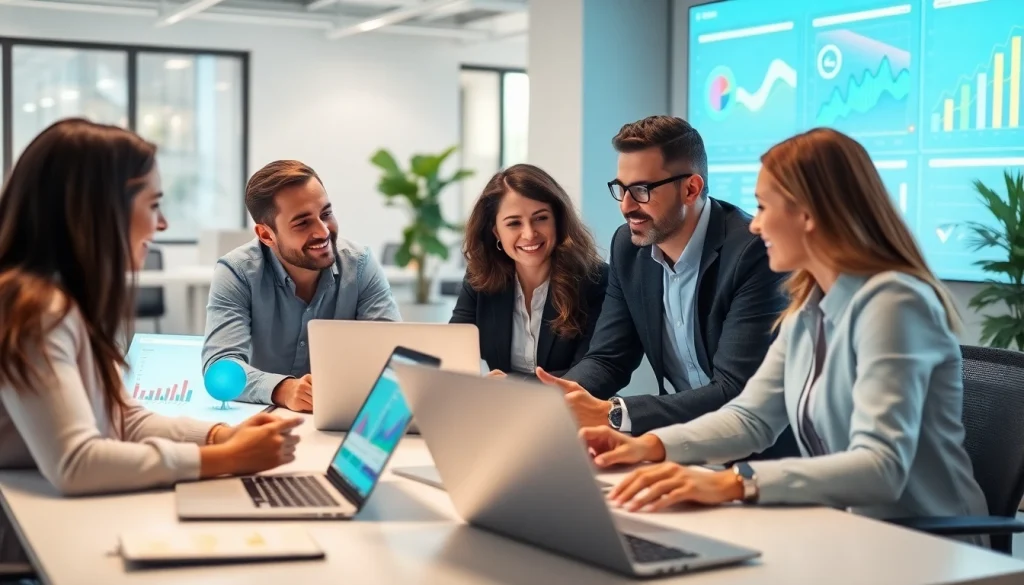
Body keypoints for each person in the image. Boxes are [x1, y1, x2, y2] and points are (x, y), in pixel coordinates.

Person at [577, 128, 988, 540]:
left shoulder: (894, 303)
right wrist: (648, 446)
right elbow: (751, 418)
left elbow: (881, 466)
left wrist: (734, 482)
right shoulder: (809, 306)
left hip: (925, 544)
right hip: (843, 531)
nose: (754, 226)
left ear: (807, 214)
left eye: (762, 206)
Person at [0, 119, 301, 499]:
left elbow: (123, 419)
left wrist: (220, 436)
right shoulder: (36, 309)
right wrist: (225, 459)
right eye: (153, 204)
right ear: (101, 209)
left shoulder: (67, 301)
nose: (162, 223)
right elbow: (75, 464)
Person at [538, 116, 796, 453]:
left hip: (765, 457)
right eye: (621, 188)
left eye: (642, 190)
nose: (626, 206)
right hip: (681, 447)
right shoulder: (629, 249)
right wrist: (546, 402)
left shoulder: (753, 253)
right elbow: (607, 358)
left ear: (691, 189)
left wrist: (614, 413)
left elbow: (735, 389)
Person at [203, 160, 400, 412]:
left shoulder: (360, 265)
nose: (323, 231)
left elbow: (392, 357)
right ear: (265, 235)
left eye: (326, 214)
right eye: (302, 223)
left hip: (341, 416)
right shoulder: (237, 272)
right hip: (265, 421)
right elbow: (220, 367)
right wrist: (284, 390)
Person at [450, 164, 609, 378]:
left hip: (568, 408)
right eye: (514, 223)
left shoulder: (595, 280)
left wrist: (510, 386)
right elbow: (455, 355)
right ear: (497, 232)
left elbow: (588, 373)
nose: (529, 233)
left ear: (557, 221)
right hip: (499, 406)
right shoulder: (480, 278)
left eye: (541, 218)